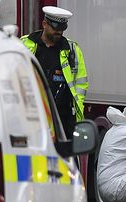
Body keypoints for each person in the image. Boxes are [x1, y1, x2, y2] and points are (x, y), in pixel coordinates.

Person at [21, 6, 88, 139]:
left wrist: (75, 109)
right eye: (55, 28)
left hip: (63, 118)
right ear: (45, 24)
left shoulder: (72, 49)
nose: (59, 32)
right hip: (31, 116)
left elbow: (81, 82)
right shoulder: (24, 44)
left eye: (62, 29)